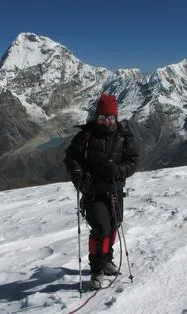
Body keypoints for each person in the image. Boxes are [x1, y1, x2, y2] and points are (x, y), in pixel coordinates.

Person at [64, 94, 139, 289]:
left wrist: (119, 171)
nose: (107, 121)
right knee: (101, 229)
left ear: (116, 118)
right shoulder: (86, 137)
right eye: (103, 117)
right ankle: (97, 269)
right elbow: (71, 159)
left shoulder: (124, 137)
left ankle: (106, 260)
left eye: (110, 117)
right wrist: (81, 179)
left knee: (114, 226)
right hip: (93, 191)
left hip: (115, 189)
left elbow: (132, 161)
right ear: (96, 117)